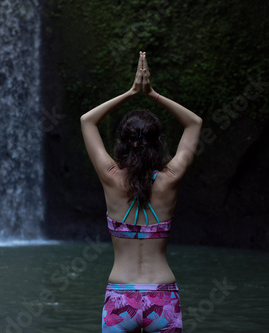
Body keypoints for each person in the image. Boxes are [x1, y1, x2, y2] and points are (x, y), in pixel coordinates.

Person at [80, 51, 202, 332]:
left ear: (122, 143)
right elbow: (194, 123)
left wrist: (131, 92)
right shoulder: (170, 180)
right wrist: (152, 94)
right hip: (163, 296)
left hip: (121, 297)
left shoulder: (111, 179)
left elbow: (87, 120)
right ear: (159, 142)